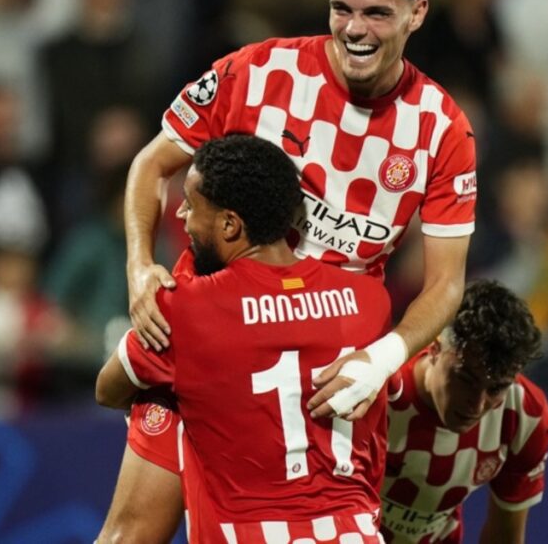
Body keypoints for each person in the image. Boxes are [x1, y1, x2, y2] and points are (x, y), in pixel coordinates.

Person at [118, 0, 477, 539]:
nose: (355, 29)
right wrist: (138, 265)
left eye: (377, 13)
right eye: (343, 8)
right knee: (130, 535)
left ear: (417, 13)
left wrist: (383, 360)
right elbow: (150, 166)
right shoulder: (255, 71)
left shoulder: (442, 129)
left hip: (327, 379)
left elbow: (446, 284)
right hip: (210, 342)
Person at [96, 135, 393, 542]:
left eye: (190, 203)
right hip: (355, 534)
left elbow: (107, 389)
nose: (181, 214)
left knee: (160, 399)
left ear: (230, 224)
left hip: (248, 534)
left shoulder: (185, 309)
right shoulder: (369, 300)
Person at [380, 279, 548, 544]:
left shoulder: (524, 415)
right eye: (466, 379)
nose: (477, 404)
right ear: (435, 346)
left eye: (496, 388)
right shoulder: (379, 390)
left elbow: (504, 536)